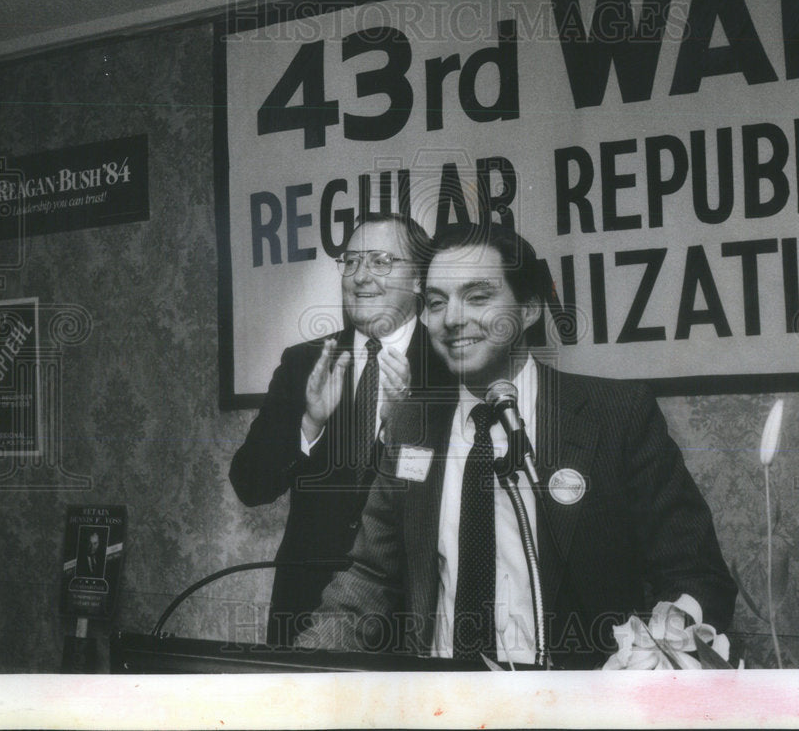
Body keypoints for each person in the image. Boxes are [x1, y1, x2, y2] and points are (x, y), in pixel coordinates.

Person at [296, 222, 736, 668]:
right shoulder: (412, 425)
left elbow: (694, 574)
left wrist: (661, 651)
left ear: (528, 309)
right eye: (435, 302)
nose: (452, 319)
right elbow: (370, 578)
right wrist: (296, 675)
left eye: (478, 297)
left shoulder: (616, 416)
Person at [229, 213, 452, 646]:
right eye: (351, 262)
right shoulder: (305, 363)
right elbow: (250, 484)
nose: (361, 276)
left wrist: (400, 429)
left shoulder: (450, 367)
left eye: (381, 261)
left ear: (421, 280)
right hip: (306, 614)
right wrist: (309, 424)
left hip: (409, 620)